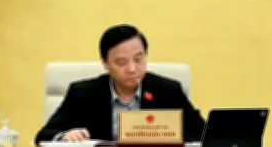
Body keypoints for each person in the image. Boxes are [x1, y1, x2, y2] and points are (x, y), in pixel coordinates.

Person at [34, 24, 206, 144]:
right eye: (121, 62)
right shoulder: (83, 93)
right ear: (105, 63)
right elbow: (44, 135)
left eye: (138, 59)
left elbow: (203, 134)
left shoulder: (168, 91)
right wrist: (65, 136)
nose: (132, 69)